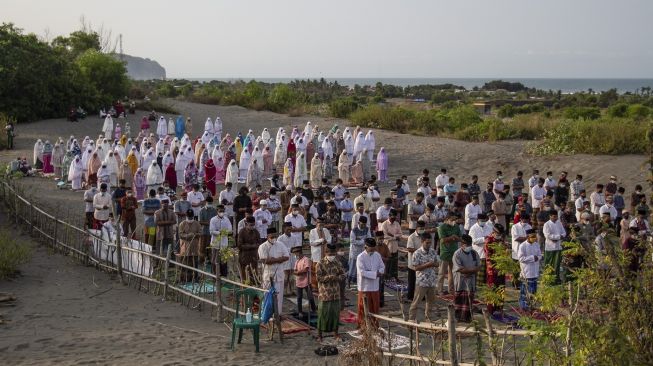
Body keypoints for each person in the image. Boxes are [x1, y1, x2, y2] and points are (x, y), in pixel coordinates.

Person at [316, 244, 346, 342]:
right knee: (322, 314)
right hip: (324, 294)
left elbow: (343, 274)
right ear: (326, 252)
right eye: (330, 253)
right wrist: (329, 277)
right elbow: (318, 278)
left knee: (335, 314)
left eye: (333, 253)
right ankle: (319, 335)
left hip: (335, 293)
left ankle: (336, 334)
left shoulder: (337, 262)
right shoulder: (320, 263)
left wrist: (337, 278)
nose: (332, 255)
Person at [408, 233, 439, 321]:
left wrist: (434, 264)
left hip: (432, 281)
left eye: (430, 243)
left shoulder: (433, 251)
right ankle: (411, 319)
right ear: (422, 242)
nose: (429, 245)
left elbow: (437, 263)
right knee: (416, 302)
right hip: (422, 281)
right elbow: (416, 267)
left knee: (430, 302)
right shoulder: (417, 253)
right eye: (427, 243)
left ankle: (428, 318)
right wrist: (428, 264)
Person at [258, 228, 289, 314]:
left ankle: (278, 315)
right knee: (267, 296)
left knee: (279, 297)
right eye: (272, 236)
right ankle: (266, 315)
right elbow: (265, 261)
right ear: (268, 236)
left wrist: (273, 260)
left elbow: (286, 257)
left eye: (275, 236)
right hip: (268, 276)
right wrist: (279, 259)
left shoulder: (280, 244)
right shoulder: (262, 246)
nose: (274, 238)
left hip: (279, 275)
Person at [356, 238, 385, 328]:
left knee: (375, 307)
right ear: (365, 246)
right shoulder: (360, 257)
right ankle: (362, 326)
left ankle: (374, 325)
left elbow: (382, 266)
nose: (372, 250)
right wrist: (375, 273)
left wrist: (380, 272)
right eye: (370, 248)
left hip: (375, 286)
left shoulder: (377, 255)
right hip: (364, 287)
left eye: (373, 248)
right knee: (363, 307)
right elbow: (362, 272)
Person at [452, 234, 481, 322]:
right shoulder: (457, 254)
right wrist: (470, 270)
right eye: (466, 244)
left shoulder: (474, 253)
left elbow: (479, 266)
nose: (468, 246)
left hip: (471, 280)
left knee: (469, 299)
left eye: (469, 244)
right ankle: (458, 317)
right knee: (460, 299)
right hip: (460, 280)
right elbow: (460, 269)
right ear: (462, 244)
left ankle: (467, 317)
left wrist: (469, 271)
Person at [437, 215, 462, 295]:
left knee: (452, 272)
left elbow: (460, 238)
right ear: (447, 219)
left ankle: (450, 290)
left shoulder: (456, 227)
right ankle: (439, 290)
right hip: (445, 252)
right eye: (452, 220)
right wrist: (452, 237)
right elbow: (442, 240)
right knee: (442, 273)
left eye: (455, 220)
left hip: (454, 252)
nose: (453, 222)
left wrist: (454, 238)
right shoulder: (441, 227)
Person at [518, 229, 541, 310]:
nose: (534, 238)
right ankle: (523, 306)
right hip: (526, 271)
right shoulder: (522, 246)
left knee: (533, 290)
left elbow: (540, 255)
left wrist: (537, 257)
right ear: (527, 237)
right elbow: (521, 258)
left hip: (534, 270)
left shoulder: (536, 245)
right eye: (532, 237)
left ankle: (532, 305)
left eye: (535, 236)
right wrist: (532, 258)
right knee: (525, 290)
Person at [177, 209, 202, 280]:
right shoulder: (182, 224)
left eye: (191, 217)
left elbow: (200, 232)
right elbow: (180, 234)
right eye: (189, 217)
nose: (190, 219)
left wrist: (195, 234)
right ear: (186, 216)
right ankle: (184, 278)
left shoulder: (197, 223)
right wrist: (188, 235)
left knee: (195, 262)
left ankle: (195, 277)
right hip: (185, 246)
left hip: (195, 246)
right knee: (185, 262)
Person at [543, 210, 566, 284]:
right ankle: (548, 279)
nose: (555, 218)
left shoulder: (559, 223)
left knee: (557, 264)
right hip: (550, 247)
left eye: (556, 216)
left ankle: (556, 279)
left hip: (558, 247)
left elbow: (564, 232)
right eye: (554, 216)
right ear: (550, 216)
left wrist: (559, 237)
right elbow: (547, 235)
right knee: (549, 263)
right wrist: (558, 237)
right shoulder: (546, 224)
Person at [292, 246, 316, 317]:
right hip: (299, 281)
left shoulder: (306, 259)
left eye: (296, 254)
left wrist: (298, 272)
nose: (296, 256)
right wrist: (297, 272)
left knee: (310, 296)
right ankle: (300, 311)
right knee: (299, 297)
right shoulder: (297, 261)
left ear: (300, 253)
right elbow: (294, 270)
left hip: (306, 281)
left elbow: (306, 269)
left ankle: (314, 309)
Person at [209, 205, 233, 277]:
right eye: (220, 211)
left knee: (223, 260)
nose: (221, 212)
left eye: (223, 211)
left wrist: (222, 232)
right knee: (214, 260)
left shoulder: (226, 219)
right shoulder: (213, 220)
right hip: (215, 243)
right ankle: (214, 275)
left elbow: (230, 230)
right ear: (217, 211)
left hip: (224, 243)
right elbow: (212, 231)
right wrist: (220, 232)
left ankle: (224, 275)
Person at [309, 217, 331, 290]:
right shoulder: (312, 231)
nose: (320, 225)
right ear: (316, 223)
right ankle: (315, 287)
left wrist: (326, 241)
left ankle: (324, 285)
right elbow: (312, 243)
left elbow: (329, 239)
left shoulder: (326, 230)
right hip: (316, 254)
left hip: (325, 253)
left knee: (325, 270)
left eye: (322, 223)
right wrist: (321, 240)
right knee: (316, 271)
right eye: (319, 223)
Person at [348, 215, 371, 286]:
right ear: (358, 222)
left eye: (364, 224)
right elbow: (352, 241)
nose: (363, 226)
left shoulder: (367, 229)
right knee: (353, 266)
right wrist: (362, 241)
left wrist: (361, 240)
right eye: (362, 224)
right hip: (355, 251)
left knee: (362, 266)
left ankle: (359, 280)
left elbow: (369, 237)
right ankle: (350, 281)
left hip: (363, 250)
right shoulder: (354, 231)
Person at [236, 216, 260, 281]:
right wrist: (252, 246)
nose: (252, 226)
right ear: (246, 224)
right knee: (244, 277)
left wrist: (248, 245)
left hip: (254, 257)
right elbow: (240, 245)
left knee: (254, 276)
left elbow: (259, 244)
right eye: (251, 225)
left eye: (253, 225)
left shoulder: (256, 232)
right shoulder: (242, 232)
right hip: (244, 257)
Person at [381, 209, 402, 280]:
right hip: (387, 247)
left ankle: (394, 276)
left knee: (394, 263)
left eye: (395, 218)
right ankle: (386, 277)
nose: (393, 219)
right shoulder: (384, 224)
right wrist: (395, 237)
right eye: (392, 217)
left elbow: (400, 234)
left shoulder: (397, 224)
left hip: (395, 247)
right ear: (389, 216)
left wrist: (393, 236)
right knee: (387, 263)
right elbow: (384, 236)